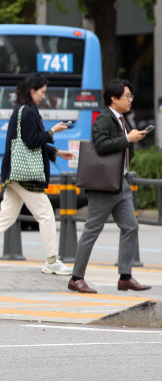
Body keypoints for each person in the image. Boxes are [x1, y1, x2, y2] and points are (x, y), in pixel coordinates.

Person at [0, 73, 74, 275]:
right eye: (42, 92)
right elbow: (33, 141)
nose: (44, 96)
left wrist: (56, 152)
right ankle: (52, 261)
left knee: (6, 216)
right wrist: (53, 132)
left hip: (15, 172)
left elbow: (29, 144)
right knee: (46, 215)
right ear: (32, 90)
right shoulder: (28, 112)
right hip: (25, 175)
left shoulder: (22, 110)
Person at [69, 79, 151, 294]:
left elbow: (124, 146)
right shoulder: (104, 119)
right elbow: (101, 145)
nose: (130, 100)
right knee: (92, 231)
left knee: (131, 226)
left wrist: (131, 137)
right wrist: (128, 138)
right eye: (127, 96)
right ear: (114, 99)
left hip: (120, 183)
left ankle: (125, 277)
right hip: (103, 186)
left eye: (131, 96)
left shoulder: (123, 120)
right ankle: (76, 278)